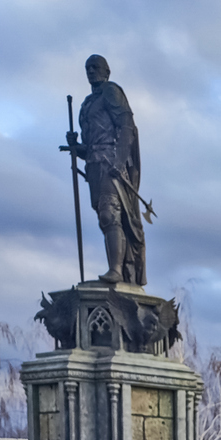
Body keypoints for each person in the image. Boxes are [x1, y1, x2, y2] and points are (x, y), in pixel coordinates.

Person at [67, 55, 147, 287]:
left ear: (107, 71)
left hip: (111, 163)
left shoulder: (111, 92)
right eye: (88, 68)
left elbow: (127, 126)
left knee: (109, 214)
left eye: (96, 67)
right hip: (94, 164)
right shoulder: (86, 104)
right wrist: (76, 147)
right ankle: (116, 268)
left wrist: (119, 162)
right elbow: (90, 145)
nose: (91, 71)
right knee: (104, 218)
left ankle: (116, 271)